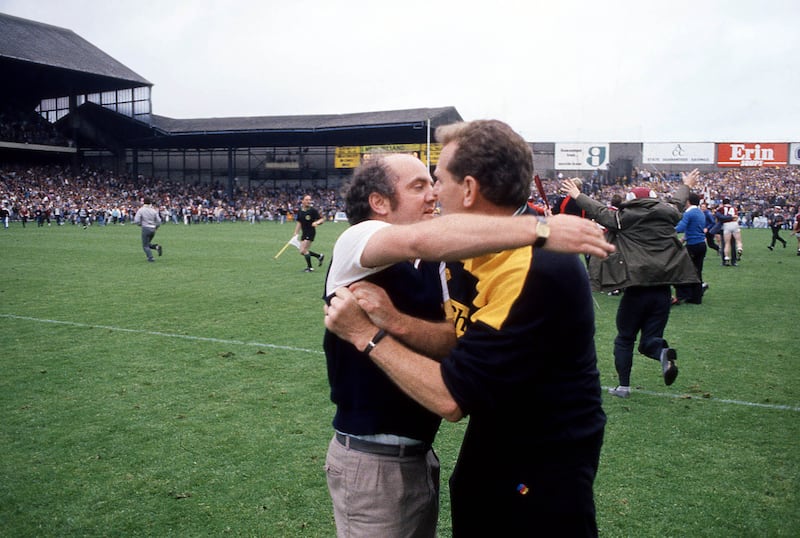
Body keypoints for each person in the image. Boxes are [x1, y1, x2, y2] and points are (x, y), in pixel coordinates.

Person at [326, 120, 611, 536]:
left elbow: (451, 395)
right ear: (379, 202)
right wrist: (540, 228)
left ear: (470, 189)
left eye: (436, 181)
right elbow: (452, 319)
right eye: (419, 186)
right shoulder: (370, 240)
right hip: (437, 459)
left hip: (538, 471)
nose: (434, 193)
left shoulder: (531, 266)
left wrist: (372, 333)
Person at [561, 170, 700, 399]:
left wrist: (577, 194)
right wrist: (686, 185)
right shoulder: (669, 214)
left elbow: (600, 212)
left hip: (636, 289)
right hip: (663, 290)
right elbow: (676, 202)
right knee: (649, 341)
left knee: (625, 338)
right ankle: (663, 352)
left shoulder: (623, 219)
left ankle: (624, 387)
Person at [674, 191, 707, 304]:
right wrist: (685, 238)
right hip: (701, 244)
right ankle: (696, 297)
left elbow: (681, 227)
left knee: (682, 269)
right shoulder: (700, 213)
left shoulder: (689, 213)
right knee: (697, 271)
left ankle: (683, 294)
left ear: (688, 202)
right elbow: (695, 228)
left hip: (693, 245)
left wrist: (668, 230)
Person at [293, 194, 325, 272]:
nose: (308, 201)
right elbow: (299, 223)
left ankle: (310, 268)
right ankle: (319, 256)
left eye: (309, 200)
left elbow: (322, 219)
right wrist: (296, 232)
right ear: (302, 201)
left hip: (310, 232)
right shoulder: (300, 211)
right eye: (307, 200)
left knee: (304, 250)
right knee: (302, 251)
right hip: (304, 233)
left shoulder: (312, 210)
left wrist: (317, 223)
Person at [133, 197, 163, 262]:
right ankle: (156, 247)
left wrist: (140, 225)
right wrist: (156, 227)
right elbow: (159, 221)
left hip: (145, 228)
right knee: (147, 243)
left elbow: (136, 220)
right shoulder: (153, 210)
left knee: (145, 246)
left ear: (144, 202)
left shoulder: (141, 210)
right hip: (153, 229)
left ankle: (150, 257)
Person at [718, 197, 743, 266]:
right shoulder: (734, 208)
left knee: (726, 243)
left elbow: (718, 216)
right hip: (734, 224)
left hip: (726, 225)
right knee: (737, 241)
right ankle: (739, 248)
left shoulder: (721, 209)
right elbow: (737, 217)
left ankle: (726, 258)